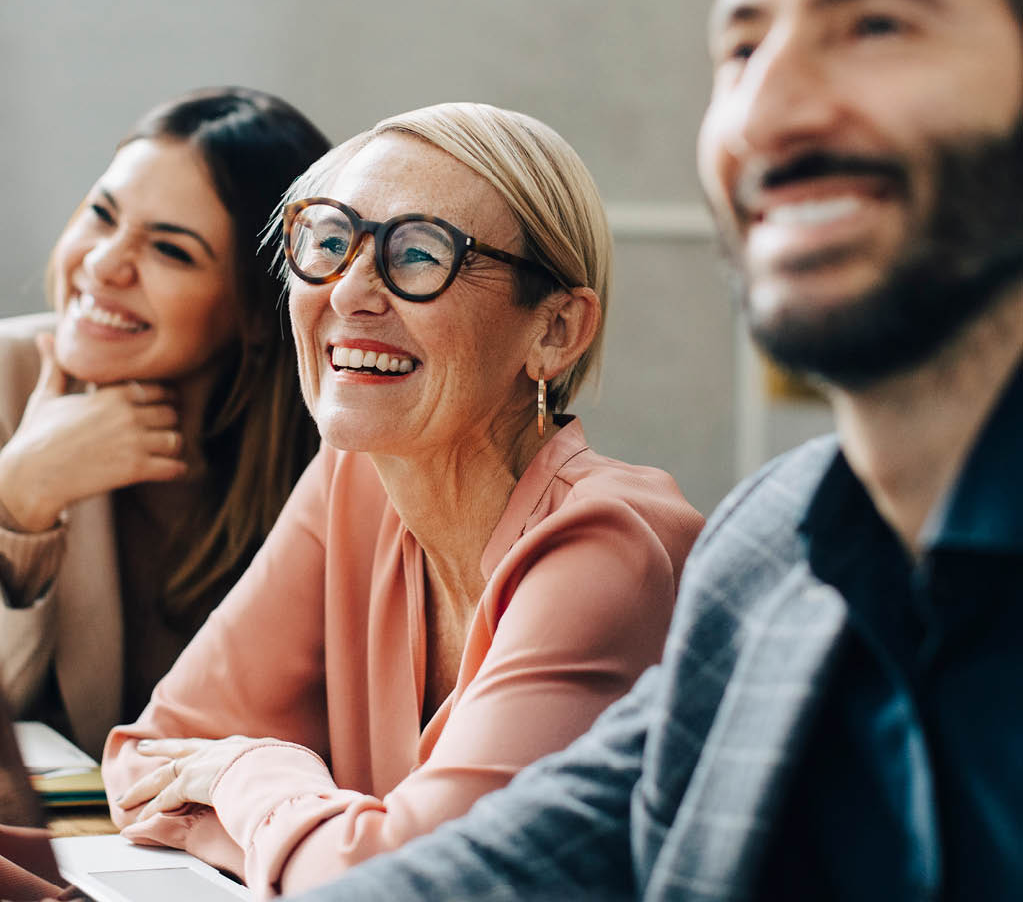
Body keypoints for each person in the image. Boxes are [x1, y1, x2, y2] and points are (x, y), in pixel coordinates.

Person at [278, 0, 1023, 900]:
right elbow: (480, 878)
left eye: (876, 24)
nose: (771, 107)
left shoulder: (629, 541)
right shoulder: (763, 557)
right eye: (742, 49)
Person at [101, 102, 704, 896]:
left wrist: (250, 774)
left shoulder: (608, 543)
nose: (350, 290)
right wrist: (330, 844)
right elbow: (149, 761)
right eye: (326, 241)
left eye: (419, 254)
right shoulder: (353, 479)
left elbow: (414, 885)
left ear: (554, 330)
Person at [0, 87, 330, 759]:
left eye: (171, 252)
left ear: (259, 311)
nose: (103, 263)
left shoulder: (332, 458)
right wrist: (20, 497)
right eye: (101, 214)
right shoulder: (6, 377)